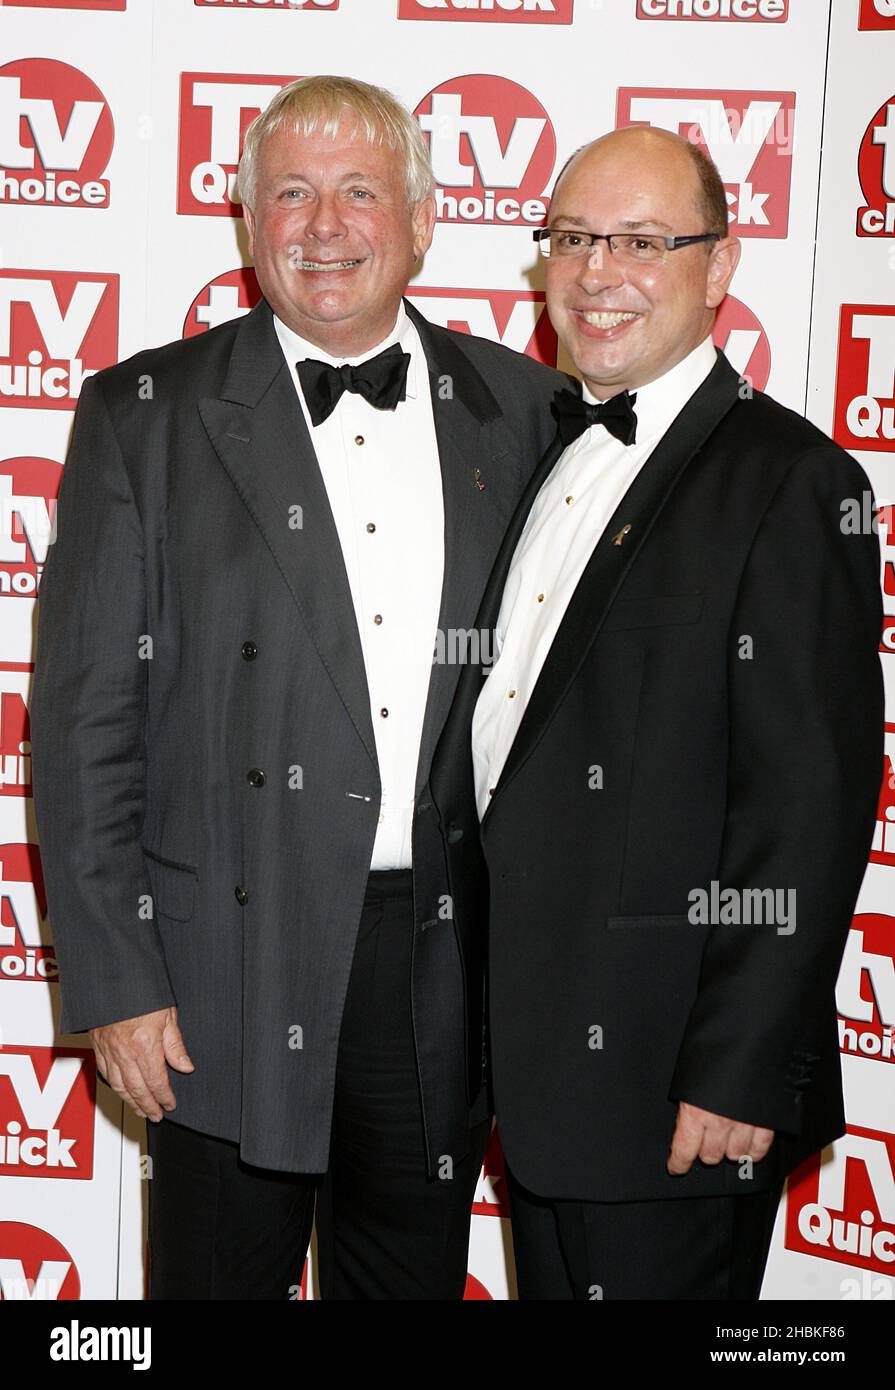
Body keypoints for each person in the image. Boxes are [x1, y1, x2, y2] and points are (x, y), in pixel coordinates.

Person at [29, 75, 568, 1300]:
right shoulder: (142, 416)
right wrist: (116, 982)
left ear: (422, 222)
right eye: (291, 194)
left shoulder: (526, 412)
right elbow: (81, 727)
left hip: (439, 965)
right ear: (246, 224)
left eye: (359, 193)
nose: (324, 227)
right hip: (223, 961)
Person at [430, 125, 885, 1300]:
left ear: (718, 267)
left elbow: (810, 802)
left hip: (675, 1094)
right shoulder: (548, 448)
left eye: (641, 241)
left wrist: (739, 1070)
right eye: (573, 238)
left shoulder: (792, 482)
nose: (595, 272)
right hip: (537, 1078)